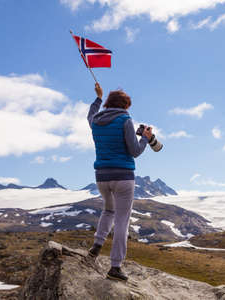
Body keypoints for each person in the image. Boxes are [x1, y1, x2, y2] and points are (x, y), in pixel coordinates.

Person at [86, 83, 153, 281]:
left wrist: (98, 98)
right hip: (123, 177)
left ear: (108, 103)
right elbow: (135, 151)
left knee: (108, 211)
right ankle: (115, 267)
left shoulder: (96, 121)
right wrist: (146, 139)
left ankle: (96, 247)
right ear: (125, 106)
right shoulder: (125, 120)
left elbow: (90, 115)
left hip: (101, 177)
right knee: (122, 220)